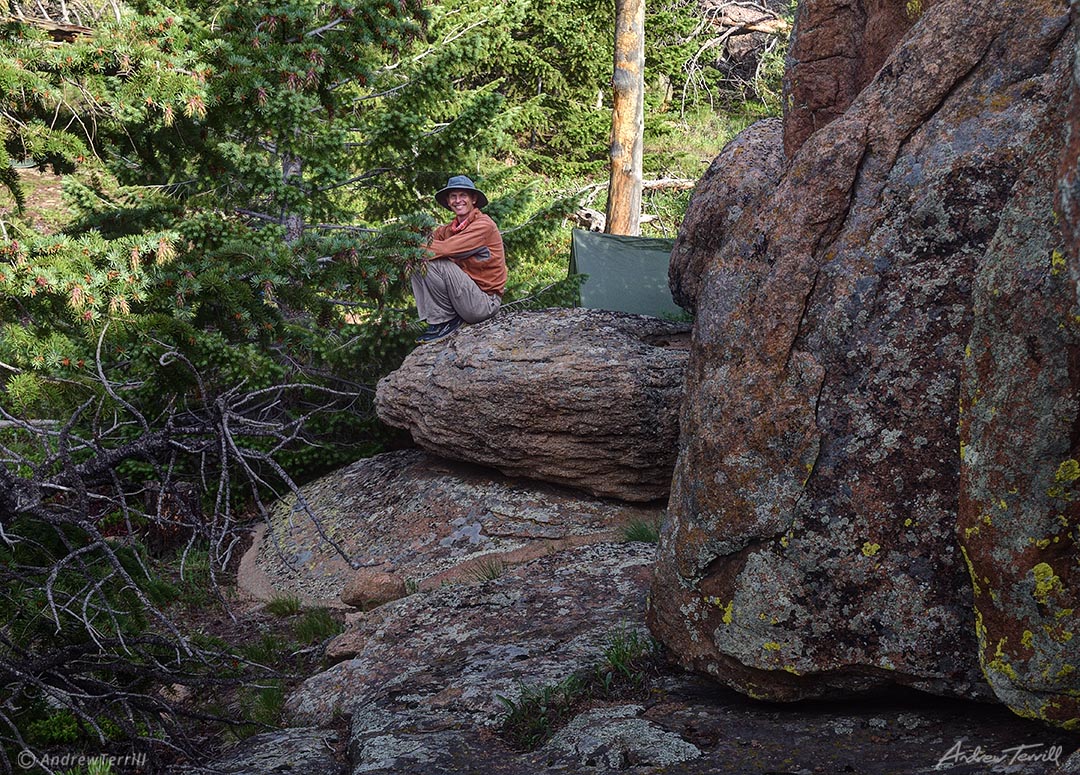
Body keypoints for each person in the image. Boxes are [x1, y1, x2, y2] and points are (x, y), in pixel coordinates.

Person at [411, 175, 507, 343]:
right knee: (415, 262)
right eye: (453, 196)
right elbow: (427, 241)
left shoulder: (484, 225)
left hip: (484, 303)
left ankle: (445, 322)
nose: (458, 200)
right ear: (448, 202)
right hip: (464, 300)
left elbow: (445, 249)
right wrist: (407, 244)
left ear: (473, 199)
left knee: (434, 261)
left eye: (463, 195)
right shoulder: (448, 229)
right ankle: (438, 321)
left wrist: (412, 249)